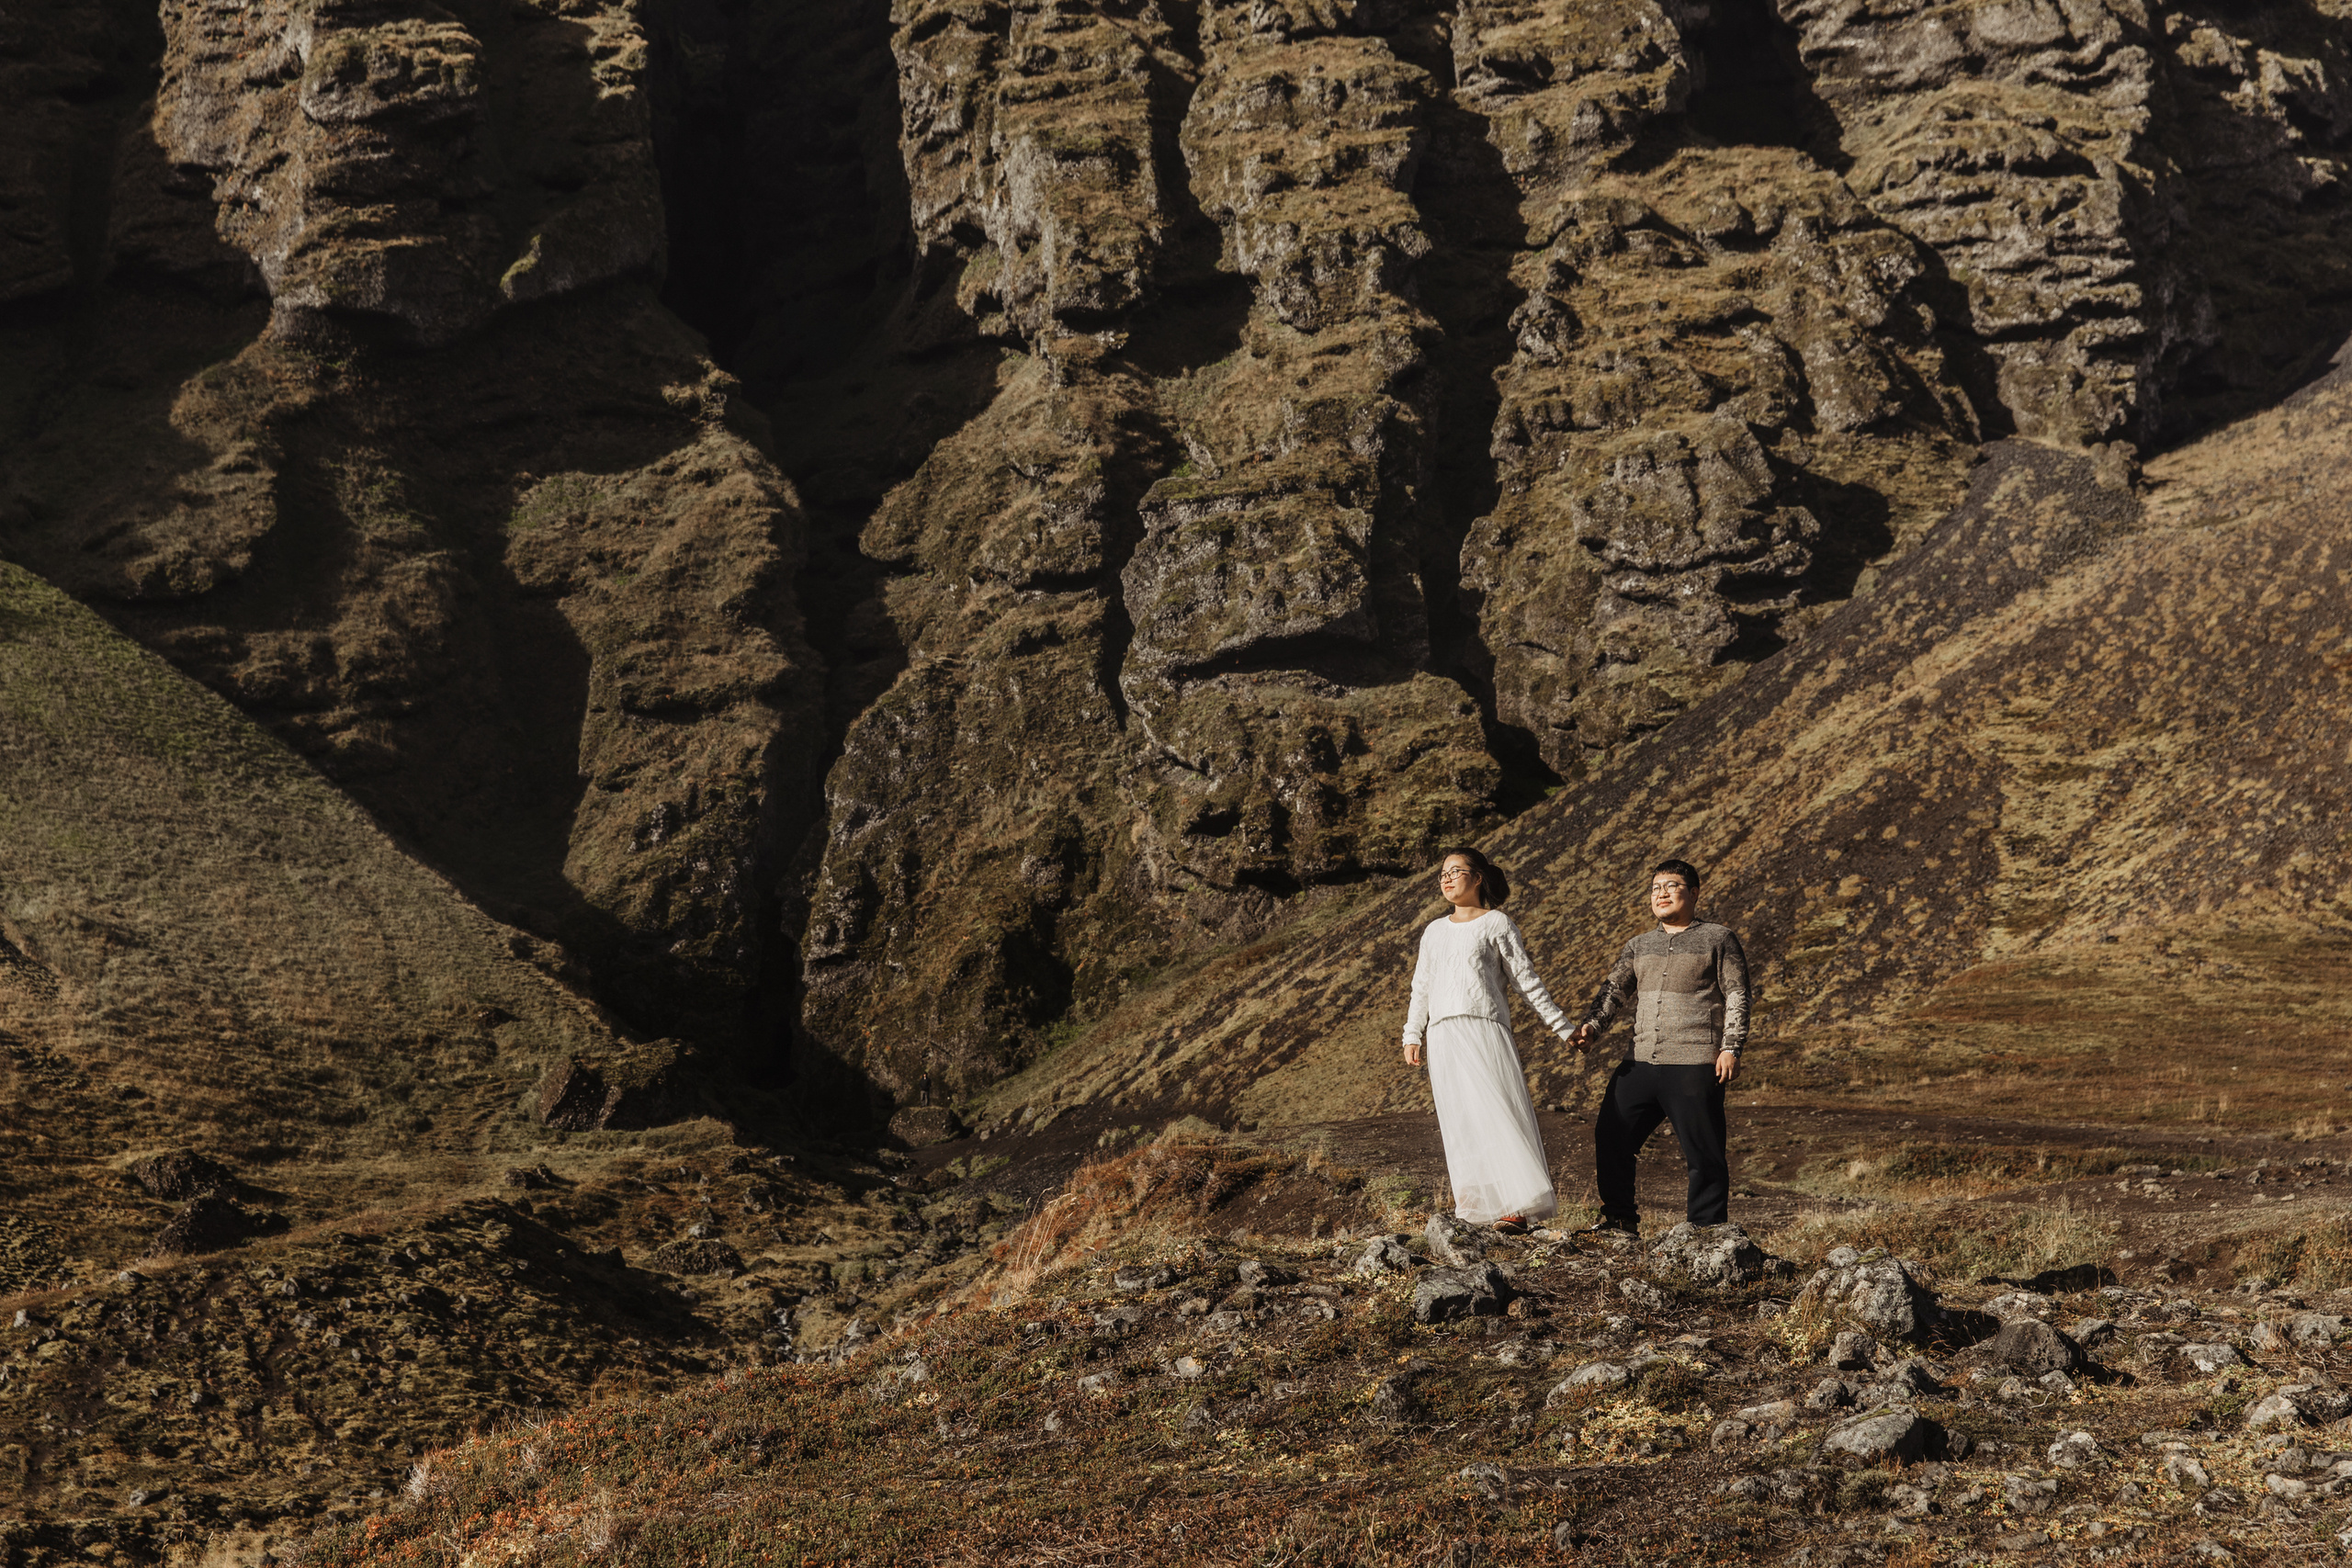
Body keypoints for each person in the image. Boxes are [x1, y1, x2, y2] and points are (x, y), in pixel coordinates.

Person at [1568, 859, 1748, 1236]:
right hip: (1641, 1061)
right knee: (1611, 1135)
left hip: (1696, 1061)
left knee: (1703, 1152)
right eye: (1655, 888)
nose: (1661, 893)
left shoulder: (1718, 938)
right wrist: (1591, 1028)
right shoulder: (1639, 945)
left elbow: (1737, 994)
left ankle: (1706, 1232)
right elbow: (1613, 991)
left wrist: (1730, 1046)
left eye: (1671, 885)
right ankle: (1619, 1220)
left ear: (1694, 893)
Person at [1403, 847, 1576, 1229]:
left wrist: (1562, 1028)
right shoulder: (1433, 931)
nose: (1446, 879)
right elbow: (1422, 988)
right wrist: (1412, 1033)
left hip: (1483, 1028)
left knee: (1496, 1112)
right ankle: (1474, 1205)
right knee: (1459, 1117)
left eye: (1456, 871)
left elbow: (1526, 981)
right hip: (1443, 1033)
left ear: (1478, 877)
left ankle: (1516, 1205)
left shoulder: (1497, 923)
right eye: (1442, 873)